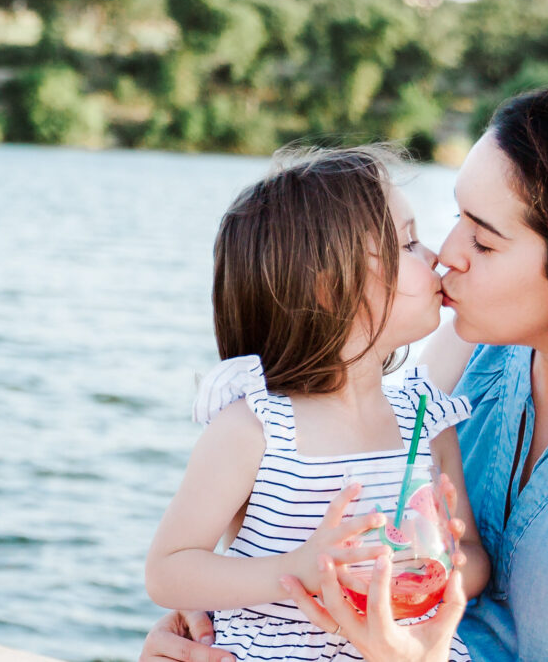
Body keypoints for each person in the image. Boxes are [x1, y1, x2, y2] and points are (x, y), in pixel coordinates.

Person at [140, 82, 548, 662]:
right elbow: (253, 539)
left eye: (484, 239)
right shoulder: (467, 357)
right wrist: (206, 621)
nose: (446, 253)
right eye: (455, 217)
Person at [143, 146, 490, 662]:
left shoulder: (427, 419)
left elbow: (475, 558)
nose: (435, 255)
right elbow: (168, 571)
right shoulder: (256, 429)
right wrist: (299, 570)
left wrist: (439, 560)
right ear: (331, 287)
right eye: (408, 243)